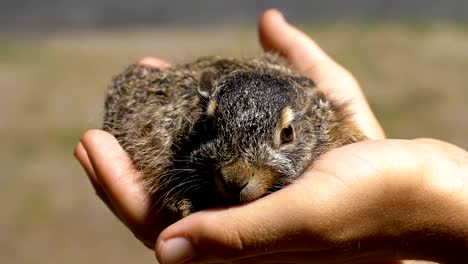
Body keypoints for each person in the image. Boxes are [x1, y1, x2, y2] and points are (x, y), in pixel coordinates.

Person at [74, 9, 468, 264]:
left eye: (282, 135)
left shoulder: (322, 122)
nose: (236, 174)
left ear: (298, 128)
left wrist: (418, 207)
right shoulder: (183, 139)